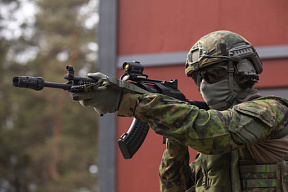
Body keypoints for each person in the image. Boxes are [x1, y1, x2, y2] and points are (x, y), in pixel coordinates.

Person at [72, 30, 288, 191]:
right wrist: (174, 135)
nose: (204, 84)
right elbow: (174, 188)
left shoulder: (271, 110)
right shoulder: (206, 145)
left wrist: (132, 103)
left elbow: (215, 131)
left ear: (243, 71)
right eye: (198, 78)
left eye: (212, 74)